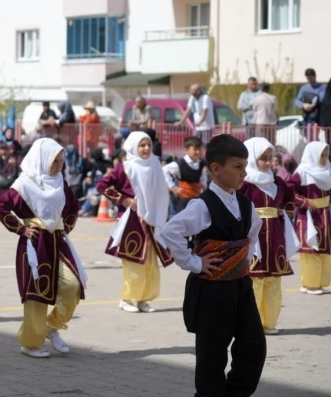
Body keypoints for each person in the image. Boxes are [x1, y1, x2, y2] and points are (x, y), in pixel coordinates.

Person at [160, 134, 265, 397]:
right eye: (238, 166)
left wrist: (241, 259)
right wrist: (194, 262)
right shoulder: (202, 206)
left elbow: (252, 233)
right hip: (211, 290)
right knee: (212, 355)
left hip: (241, 285)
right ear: (216, 169)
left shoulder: (245, 203)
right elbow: (171, 231)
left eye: (245, 165)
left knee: (253, 345)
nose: (245, 172)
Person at [0, 138, 86, 358]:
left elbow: (73, 207)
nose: (58, 166)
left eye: (61, 161)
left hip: (58, 242)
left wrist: (66, 227)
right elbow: (0, 206)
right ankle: (30, 343)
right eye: (54, 161)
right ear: (42, 160)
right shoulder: (25, 184)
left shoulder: (60, 183)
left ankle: (51, 327)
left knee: (72, 285)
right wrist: (21, 229)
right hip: (35, 244)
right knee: (36, 294)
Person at [97, 132, 173, 313]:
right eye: (142, 145)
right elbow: (102, 186)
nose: (146, 149)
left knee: (150, 262)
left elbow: (162, 192)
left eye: (148, 145)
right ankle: (127, 299)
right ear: (133, 147)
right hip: (132, 220)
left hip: (152, 220)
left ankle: (143, 299)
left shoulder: (155, 164)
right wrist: (123, 199)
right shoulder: (126, 167)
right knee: (133, 262)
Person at [239, 137, 299, 336]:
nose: (267, 162)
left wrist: (285, 211)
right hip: (254, 233)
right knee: (255, 279)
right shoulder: (245, 183)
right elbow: (236, 205)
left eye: (269, 158)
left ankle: (269, 322)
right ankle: (251, 323)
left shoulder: (278, 182)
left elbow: (290, 201)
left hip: (274, 233)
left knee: (273, 278)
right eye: (262, 158)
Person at [289, 141, 331, 295]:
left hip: (324, 214)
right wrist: (303, 202)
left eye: (326, 155)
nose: (324, 158)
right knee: (310, 249)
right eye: (321, 155)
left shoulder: (329, 169)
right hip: (308, 216)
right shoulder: (303, 172)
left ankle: (318, 282)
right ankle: (310, 284)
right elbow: (289, 191)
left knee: (323, 250)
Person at [162, 136, 208, 213]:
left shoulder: (201, 164)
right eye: (195, 149)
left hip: (197, 197)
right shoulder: (180, 164)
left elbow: (203, 178)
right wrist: (173, 187)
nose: (198, 152)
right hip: (183, 199)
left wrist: (204, 187)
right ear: (186, 150)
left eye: (199, 149)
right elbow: (164, 171)